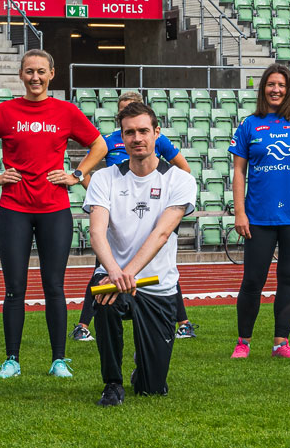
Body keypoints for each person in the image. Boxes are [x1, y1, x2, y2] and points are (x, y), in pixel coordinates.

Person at [0, 49, 108, 379]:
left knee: (54, 286)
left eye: (41, 71)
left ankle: (59, 360)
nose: (35, 77)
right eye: (29, 71)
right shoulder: (4, 112)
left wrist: (77, 174)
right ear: (21, 75)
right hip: (13, 209)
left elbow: (99, 145)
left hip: (55, 210)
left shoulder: (66, 111)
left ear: (52, 74)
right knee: (14, 288)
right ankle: (11, 359)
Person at [83, 102, 196, 407]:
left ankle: (142, 372)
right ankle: (112, 383)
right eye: (129, 132)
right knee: (104, 299)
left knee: (152, 388)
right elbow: (96, 232)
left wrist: (128, 272)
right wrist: (114, 272)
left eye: (144, 130)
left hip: (156, 285)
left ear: (156, 133)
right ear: (122, 136)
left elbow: (161, 233)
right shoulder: (105, 179)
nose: (137, 138)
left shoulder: (180, 180)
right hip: (114, 276)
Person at [228, 63, 290, 359]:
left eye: (281, 85)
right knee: (253, 280)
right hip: (258, 216)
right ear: (263, 88)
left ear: (289, 89)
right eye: (271, 84)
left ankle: (281, 342)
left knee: (289, 279)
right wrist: (240, 212)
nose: (276, 90)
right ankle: (243, 342)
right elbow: (239, 173)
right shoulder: (248, 125)